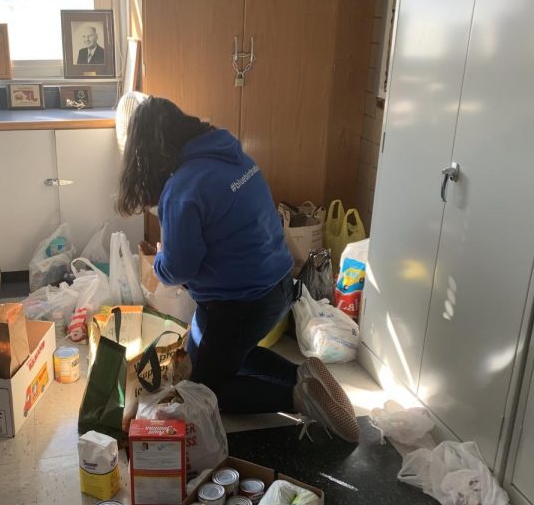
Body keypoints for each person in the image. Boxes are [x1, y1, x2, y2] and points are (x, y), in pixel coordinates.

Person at [115, 96, 359, 442]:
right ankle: (303, 373)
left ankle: (298, 397)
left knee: (202, 389)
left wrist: (160, 259)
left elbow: (179, 268)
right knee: (226, 352)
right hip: (278, 288)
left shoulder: (183, 189)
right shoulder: (233, 156)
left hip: (239, 304)